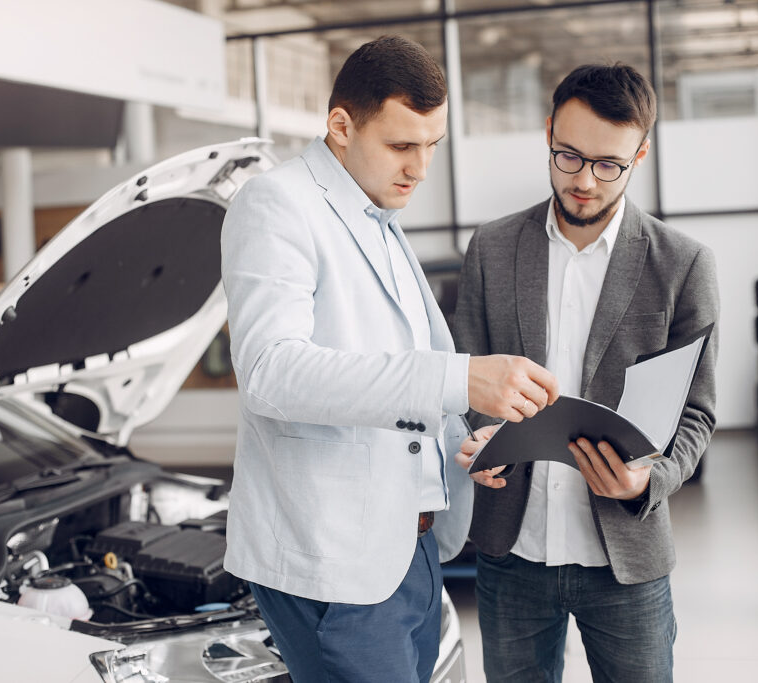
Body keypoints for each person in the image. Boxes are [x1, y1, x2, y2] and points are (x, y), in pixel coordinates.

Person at [220, 35, 558, 683]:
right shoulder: (277, 206)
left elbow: (399, 368)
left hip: (415, 546)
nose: (420, 168)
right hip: (338, 563)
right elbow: (271, 370)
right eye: (402, 145)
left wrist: (465, 438)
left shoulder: (376, 211)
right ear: (340, 126)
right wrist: (461, 378)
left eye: (432, 146)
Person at [453, 63, 719, 683]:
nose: (584, 181)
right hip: (511, 553)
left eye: (609, 165)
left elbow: (698, 413)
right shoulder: (491, 249)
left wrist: (646, 481)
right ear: (548, 132)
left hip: (625, 559)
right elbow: (466, 377)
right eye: (568, 156)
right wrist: (481, 434)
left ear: (640, 154)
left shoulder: (683, 264)